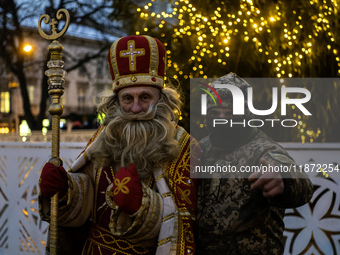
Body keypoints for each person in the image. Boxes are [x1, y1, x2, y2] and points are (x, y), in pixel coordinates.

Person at [39, 35, 201, 255]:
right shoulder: (105, 135)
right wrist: (67, 191)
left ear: (162, 100)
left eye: (145, 97)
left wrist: (142, 207)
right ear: (116, 102)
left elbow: (182, 226)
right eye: (127, 99)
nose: (135, 108)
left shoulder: (184, 146)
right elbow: (89, 198)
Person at [195, 72, 314, 255]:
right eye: (214, 113)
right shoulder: (201, 148)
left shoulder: (263, 150)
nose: (222, 120)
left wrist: (282, 179)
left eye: (230, 114)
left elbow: (302, 184)